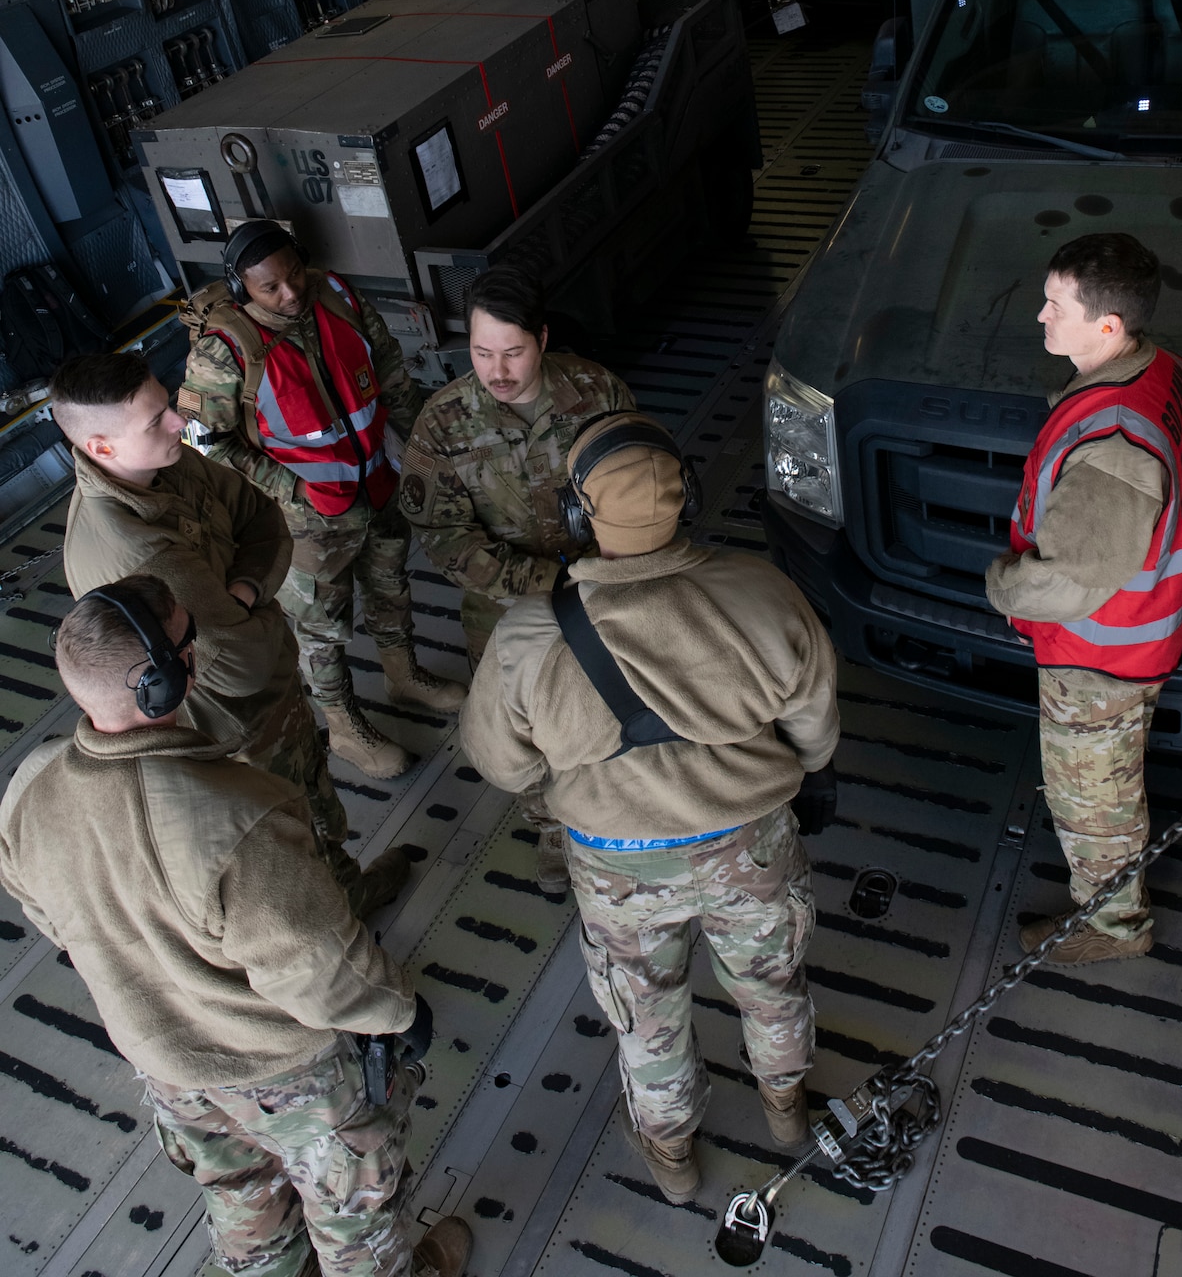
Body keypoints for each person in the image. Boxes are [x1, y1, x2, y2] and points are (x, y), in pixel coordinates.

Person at [0, 574, 471, 1277]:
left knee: (240, 1195)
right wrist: (397, 1012)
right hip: (284, 1071)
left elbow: (51, 917)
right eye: (191, 640)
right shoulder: (236, 818)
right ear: (163, 682)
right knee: (353, 1213)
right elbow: (319, 972)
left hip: (163, 1062)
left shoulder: (29, 788)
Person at [460, 412, 840, 1203]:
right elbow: (814, 727)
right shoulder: (765, 594)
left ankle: (673, 1160)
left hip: (617, 865)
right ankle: (784, 1111)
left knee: (648, 1019)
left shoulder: (530, 636)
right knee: (772, 986)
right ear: (686, 500)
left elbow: (501, 765)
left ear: (576, 513)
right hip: (750, 845)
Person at [53, 350, 407, 918]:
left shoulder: (161, 463)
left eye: (167, 407)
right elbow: (241, 665)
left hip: (266, 695)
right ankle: (332, 921)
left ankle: (342, 889)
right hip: (237, 723)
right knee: (290, 825)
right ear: (101, 447)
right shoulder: (137, 549)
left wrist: (241, 594)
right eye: (156, 420)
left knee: (312, 799)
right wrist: (259, 609)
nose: (176, 423)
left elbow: (263, 518)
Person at [179, 218, 465, 781]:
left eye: (294, 275)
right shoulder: (224, 353)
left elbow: (389, 369)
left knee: (390, 584)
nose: (290, 294)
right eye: (271, 288)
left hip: (376, 485)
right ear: (242, 289)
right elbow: (209, 447)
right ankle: (343, 726)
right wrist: (293, 489)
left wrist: (411, 449)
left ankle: (403, 673)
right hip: (306, 519)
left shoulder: (334, 295)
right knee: (319, 628)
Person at [985, 232, 1182, 964]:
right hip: (1139, 631)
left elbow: (1066, 582)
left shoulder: (1110, 442)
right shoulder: (1156, 367)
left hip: (1099, 656)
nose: (1039, 318)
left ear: (1107, 326)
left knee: (1094, 802)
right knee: (1109, 782)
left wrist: (1003, 588)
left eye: (1054, 306)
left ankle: (1113, 929)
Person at [398, 263, 634, 894]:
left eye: (513, 352)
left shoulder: (597, 393)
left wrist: (610, 569)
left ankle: (612, 814)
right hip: (502, 608)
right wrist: (541, 581)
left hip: (602, 589)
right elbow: (443, 536)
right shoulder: (444, 423)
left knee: (611, 702)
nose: (497, 371)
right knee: (523, 724)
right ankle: (553, 829)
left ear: (544, 339)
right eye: (480, 352)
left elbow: (634, 488)